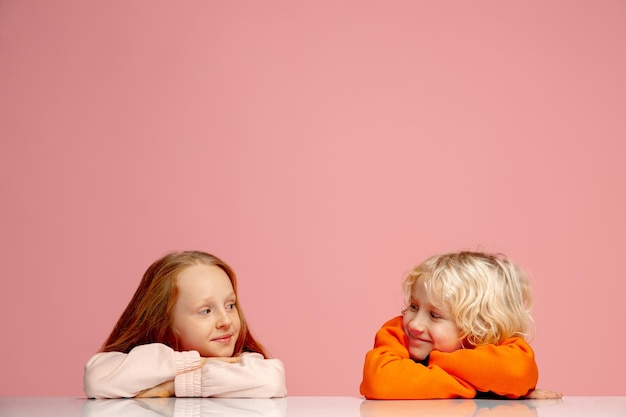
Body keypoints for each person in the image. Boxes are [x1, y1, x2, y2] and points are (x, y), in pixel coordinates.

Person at [84, 250, 287, 399]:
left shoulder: (242, 362)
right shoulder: (142, 362)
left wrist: (173, 387)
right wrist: (196, 363)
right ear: (162, 322)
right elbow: (96, 378)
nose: (226, 321)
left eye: (230, 305)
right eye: (206, 311)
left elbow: (271, 380)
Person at [360, 251, 561, 400]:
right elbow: (379, 382)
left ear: (477, 328)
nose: (415, 323)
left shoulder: (491, 344)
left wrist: (435, 366)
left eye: (434, 315)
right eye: (413, 306)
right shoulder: (398, 332)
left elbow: (518, 372)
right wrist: (477, 387)